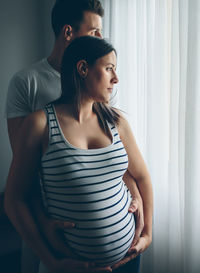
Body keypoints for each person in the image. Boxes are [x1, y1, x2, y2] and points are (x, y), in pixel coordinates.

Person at [5, 0, 151, 272]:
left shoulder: (101, 88)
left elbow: (113, 156)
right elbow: (26, 177)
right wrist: (45, 230)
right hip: (56, 230)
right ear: (69, 33)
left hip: (124, 248)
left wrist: (135, 195)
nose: (101, 38)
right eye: (95, 32)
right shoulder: (28, 84)